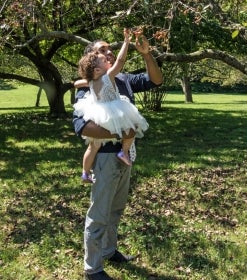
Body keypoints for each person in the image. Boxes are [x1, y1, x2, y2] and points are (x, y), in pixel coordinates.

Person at [73, 29, 163, 280]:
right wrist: (120, 134)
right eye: (102, 50)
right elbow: (82, 126)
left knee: (115, 209)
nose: (108, 52)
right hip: (105, 158)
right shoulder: (91, 85)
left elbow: (155, 80)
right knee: (99, 213)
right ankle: (93, 268)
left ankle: (109, 250)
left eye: (109, 48)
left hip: (126, 156)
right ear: (92, 59)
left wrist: (146, 55)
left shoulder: (122, 78)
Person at [74, 29, 149, 184]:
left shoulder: (92, 81)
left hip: (98, 114)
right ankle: (124, 151)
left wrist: (76, 82)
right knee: (131, 130)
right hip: (113, 111)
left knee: (92, 146)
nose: (109, 60)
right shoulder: (107, 77)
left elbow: (78, 83)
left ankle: (85, 173)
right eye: (104, 60)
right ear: (97, 69)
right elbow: (121, 61)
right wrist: (126, 42)